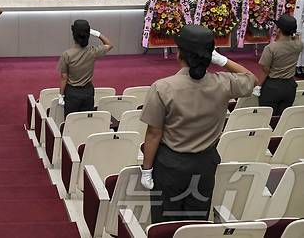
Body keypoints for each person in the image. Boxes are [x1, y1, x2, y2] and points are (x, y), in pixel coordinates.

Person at [140, 24, 256, 223]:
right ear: (209, 56)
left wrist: (146, 169)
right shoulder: (223, 83)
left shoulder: (163, 87)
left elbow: (153, 133)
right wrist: (223, 60)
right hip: (205, 164)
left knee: (166, 222)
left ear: (179, 54)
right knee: (197, 222)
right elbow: (251, 78)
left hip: (171, 165)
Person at [57, 20, 113, 117]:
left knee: (71, 121)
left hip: (72, 93)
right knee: (85, 120)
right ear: (88, 35)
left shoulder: (67, 55)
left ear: (74, 35)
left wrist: (61, 95)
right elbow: (109, 45)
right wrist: (97, 33)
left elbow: (63, 77)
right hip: (88, 91)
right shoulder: (93, 51)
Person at [256, 14, 303, 115]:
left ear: (278, 30)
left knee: (266, 118)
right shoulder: (299, 44)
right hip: (290, 87)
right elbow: (297, 37)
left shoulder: (271, 48)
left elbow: (265, 70)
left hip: (272, 88)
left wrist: (258, 86)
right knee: (282, 120)